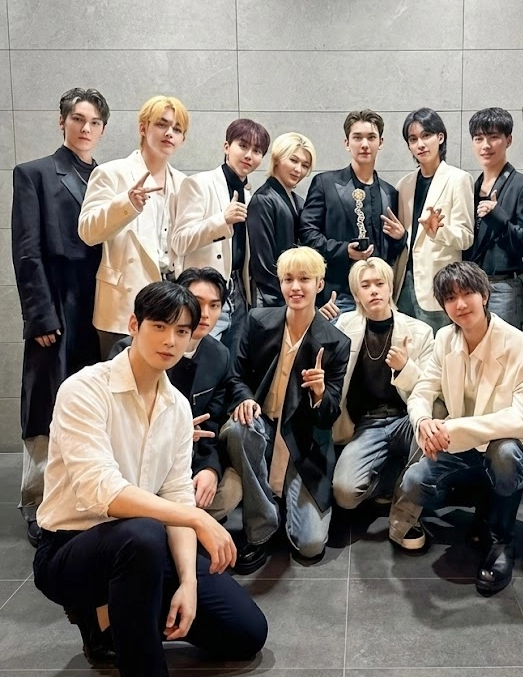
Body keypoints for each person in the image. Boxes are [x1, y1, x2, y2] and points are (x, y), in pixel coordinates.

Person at [33, 281, 268, 677]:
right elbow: (101, 491)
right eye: (158, 326)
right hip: (72, 550)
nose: (169, 340)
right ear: (134, 326)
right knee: (140, 533)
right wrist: (199, 520)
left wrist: (188, 582)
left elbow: (178, 492)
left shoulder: (176, 407)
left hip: (143, 549)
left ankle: (116, 617)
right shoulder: (84, 390)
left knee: (246, 633)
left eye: (181, 331)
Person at [389, 262, 523, 595]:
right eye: (450, 298)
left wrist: (454, 429)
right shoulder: (445, 338)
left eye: (467, 294)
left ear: (485, 295)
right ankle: (486, 504)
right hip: (461, 448)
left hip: (503, 446)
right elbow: (423, 391)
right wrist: (423, 421)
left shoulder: (522, 347)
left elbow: (522, 419)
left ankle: (502, 541)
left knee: (505, 454)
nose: (460, 304)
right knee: (415, 483)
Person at [12, 87, 110, 547]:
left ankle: (81, 495)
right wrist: (39, 315)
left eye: (94, 122)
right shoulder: (33, 173)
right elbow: (26, 251)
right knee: (46, 401)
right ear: (62, 121)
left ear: (103, 129)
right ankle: (36, 500)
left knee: (90, 405)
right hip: (56, 302)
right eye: (78, 119)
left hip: (99, 305)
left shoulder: (108, 177)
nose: (85, 128)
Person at [220, 247, 350, 573]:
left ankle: (279, 502)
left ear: (319, 284)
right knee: (238, 428)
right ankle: (261, 528)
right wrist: (245, 398)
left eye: (304, 279)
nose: (295, 287)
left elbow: (328, 416)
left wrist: (320, 393)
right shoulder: (257, 320)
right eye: (288, 279)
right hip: (261, 424)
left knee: (311, 545)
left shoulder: (336, 342)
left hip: (302, 441)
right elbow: (235, 376)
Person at [110, 267, 236, 522]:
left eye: (214, 305)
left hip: (189, 459)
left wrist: (209, 468)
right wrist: (170, 433)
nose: (205, 314)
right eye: (197, 303)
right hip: (135, 461)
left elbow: (212, 423)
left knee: (231, 489)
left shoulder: (219, 355)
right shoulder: (131, 352)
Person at [78, 95, 189, 359]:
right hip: (122, 305)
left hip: (171, 306)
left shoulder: (184, 183)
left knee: (162, 382)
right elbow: (88, 232)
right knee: (120, 381)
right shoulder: (111, 173)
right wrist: (127, 203)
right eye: (161, 124)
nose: (169, 133)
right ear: (143, 127)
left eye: (177, 129)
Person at [332, 257, 434, 510]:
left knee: (437, 420)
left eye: (379, 283)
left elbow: (431, 389)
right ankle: (394, 481)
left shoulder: (420, 331)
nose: (374, 291)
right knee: (345, 494)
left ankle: (407, 504)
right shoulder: (344, 326)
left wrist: (405, 367)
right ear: (356, 295)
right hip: (367, 423)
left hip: (406, 419)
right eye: (365, 286)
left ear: (390, 288)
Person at [170, 118, 270, 356]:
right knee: (196, 359)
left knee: (230, 363)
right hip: (203, 293)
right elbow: (179, 241)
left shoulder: (250, 194)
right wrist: (221, 221)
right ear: (227, 147)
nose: (249, 155)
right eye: (242, 146)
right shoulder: (198, 184)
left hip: (238, 292)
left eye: (257, 151)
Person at [299, 109, 406, 314]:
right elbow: (307, 234)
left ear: (381, 143)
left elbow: (390, 252)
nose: (364, 144)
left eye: (371, 137)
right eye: (357, 138)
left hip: (379, 297)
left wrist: (400, 238)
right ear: (347, 143)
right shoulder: (325, 183)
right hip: (336, 297)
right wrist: (343, 251)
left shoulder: (390, 193)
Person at [395, 107, 473, 334]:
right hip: (404, 282)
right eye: (413, 139)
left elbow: (466, 237)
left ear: (440, 137)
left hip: (438, 282)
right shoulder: (404, 184)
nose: (420, 144)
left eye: (426, 135)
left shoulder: (458, 179)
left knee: (439, 348)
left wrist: (439, 231)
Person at [464, 107, 523, 330]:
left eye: (493, 137)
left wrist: (499, 219)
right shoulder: (470, 188)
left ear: (508, 140)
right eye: (478, 139)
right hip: (470, 287)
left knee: (505, 349)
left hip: (504, 287)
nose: (486, 145)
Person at [247, 131, 316, 306]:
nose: (298, 169)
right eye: (293, 160)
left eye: (305, 165)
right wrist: (284, 297)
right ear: (277, 158)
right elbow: (262, 262)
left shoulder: (298, 201)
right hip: (272, 296)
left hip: (292, 293)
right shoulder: (263, 200)